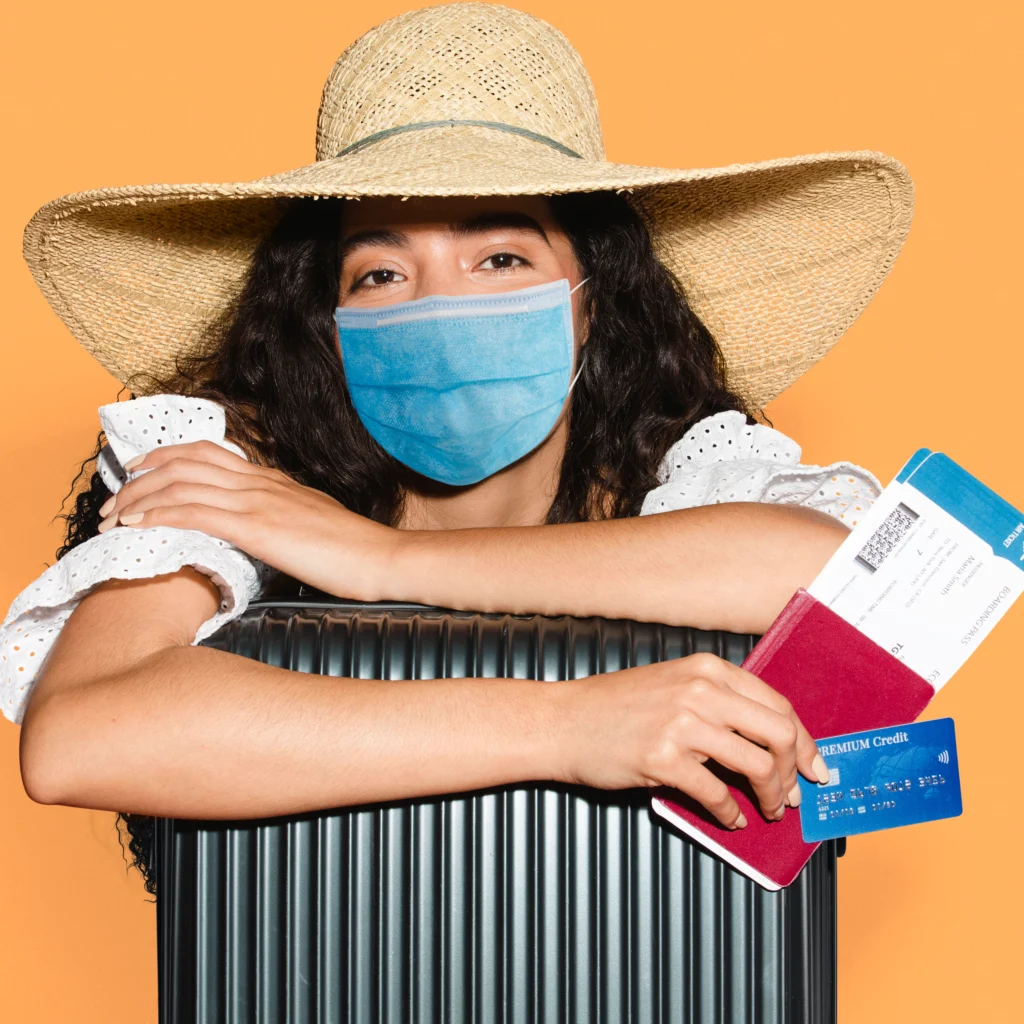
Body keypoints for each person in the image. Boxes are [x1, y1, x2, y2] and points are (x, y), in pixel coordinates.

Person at [2, 2, 911, 895]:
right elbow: (81, 737)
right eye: (382, 273)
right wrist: (566, 725)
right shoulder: (232, 478)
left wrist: (382, 560)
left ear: (592, 299)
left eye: (502, 258)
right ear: (324, 323)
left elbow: (841, 574)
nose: (442, 311)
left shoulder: (687, 470)